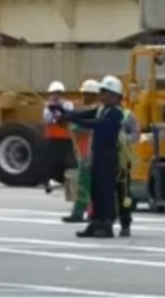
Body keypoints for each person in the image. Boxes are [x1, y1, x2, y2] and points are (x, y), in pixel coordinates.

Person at [52, 75, 129, 238]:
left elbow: (98, 125)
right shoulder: (102, 109)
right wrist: (64, 113)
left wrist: (73, 120)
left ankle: (106, 224)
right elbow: (84, 115)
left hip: (109, 156)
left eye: (104, 91)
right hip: (98, 154)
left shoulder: (116, 113)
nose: (100, 94)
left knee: (105, 190)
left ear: (114, 96)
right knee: (95, 189)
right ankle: (96, 222)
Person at [62, 79, 101, 224]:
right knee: (84, 184)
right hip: (82, 153)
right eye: (84, 93)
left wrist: (72, 122)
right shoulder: (81, 109)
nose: (86, 96)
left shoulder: (97, 110)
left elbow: (85, 127)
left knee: (87, 185)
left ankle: (82, 213)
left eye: (89, 94)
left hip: (91, 153)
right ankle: (87, 212)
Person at [41, 81, 75, 194]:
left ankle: (67, 183)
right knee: (51, 162)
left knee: (68, 162)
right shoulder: (48, 107)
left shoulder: (68, 104)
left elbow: (68, 115)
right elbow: (47, 119)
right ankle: (48, 182)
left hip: (65, 138)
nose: (56, 96)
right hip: (52, 138)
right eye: (53, 93)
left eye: (58, 93)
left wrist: (58, 110)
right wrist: (52, 112)